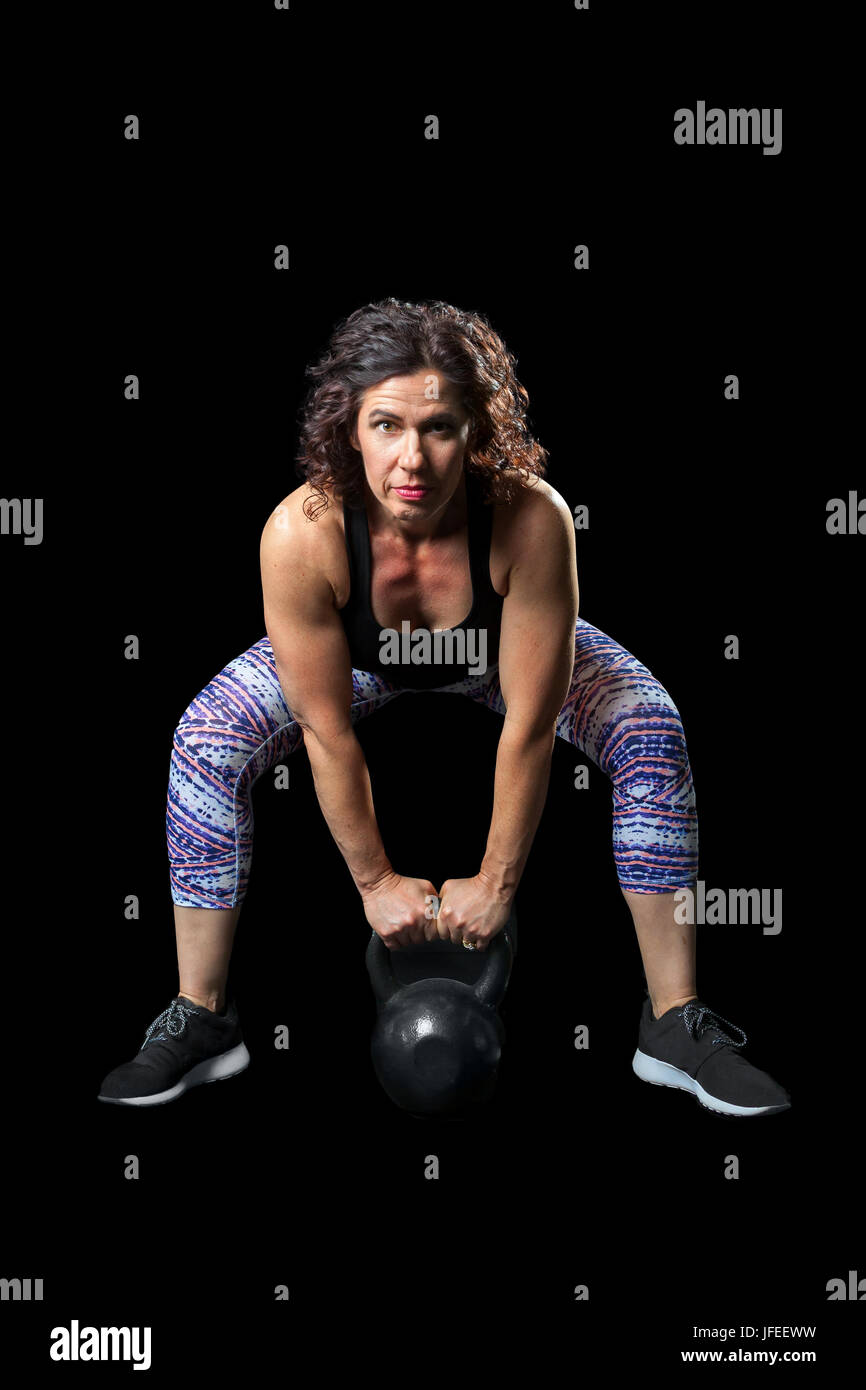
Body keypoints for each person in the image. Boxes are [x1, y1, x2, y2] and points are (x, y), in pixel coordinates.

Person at [98, 298, 790, 1117]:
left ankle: (673, 1024)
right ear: (349, 428)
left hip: (495, 662)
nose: (412, 459)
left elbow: (531, 722)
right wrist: (376, 881)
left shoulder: (531, 517)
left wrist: (497, 883)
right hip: (358, 668)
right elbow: (325, 726)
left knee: (650, 728)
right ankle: (204, 1016)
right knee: (205, 740)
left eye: (441, 427)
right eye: (387, 425)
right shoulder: (302, 532)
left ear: (478, 431)